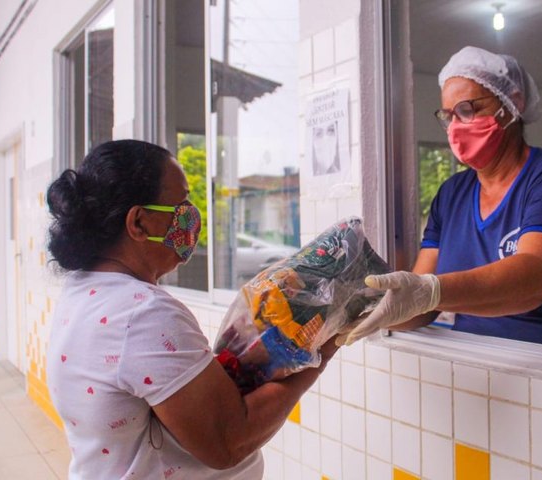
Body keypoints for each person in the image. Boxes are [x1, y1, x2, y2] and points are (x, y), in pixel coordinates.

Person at [45, 139, 339, 479]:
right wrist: (322, 350)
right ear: (139, 223)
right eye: (182, 204)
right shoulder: (141, 313)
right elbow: (228, 442)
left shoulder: (83, 290)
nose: (191, 217)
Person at [339, 46, 542, 355]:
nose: (457, 126)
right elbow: (419, 305)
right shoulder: (451, 195)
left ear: (512, 103)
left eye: (468, 109)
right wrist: (356, 309)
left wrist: (431, 291)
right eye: (448, 116)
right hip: (480, 365)